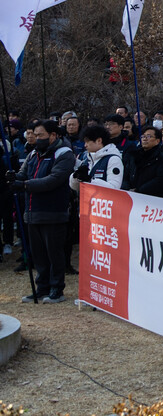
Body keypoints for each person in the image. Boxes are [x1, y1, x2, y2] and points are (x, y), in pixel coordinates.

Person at [9, 120, 75, 303]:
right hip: (32, 212)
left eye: (40, 135)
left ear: (53, 135)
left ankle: (57, 289)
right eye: (35, 135)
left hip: (53, 212)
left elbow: (53, 180)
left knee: (54, 253)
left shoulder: (64, 154)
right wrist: (12, 177)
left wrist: (24, 185)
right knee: (38, 254)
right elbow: (23, 174)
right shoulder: (32, 154)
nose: (36, 138)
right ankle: (42, 287)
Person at [69, 125, 123, 192]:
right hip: (86, 197)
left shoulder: (113, 159)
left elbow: (114, 188)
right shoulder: (87, 159)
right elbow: (75, 187)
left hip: (102, 198)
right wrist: (75, 177)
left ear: (99, 141)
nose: (85, 145)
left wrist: (90, 180)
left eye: (87, 141)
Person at [131, 127, 163, 198]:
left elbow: (161, 180)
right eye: (143, 136)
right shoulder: (135, 156)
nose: (145, 139)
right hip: (132, 195)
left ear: (157, 141)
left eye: (149, 136)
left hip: (152, 198)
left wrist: (139, 190)